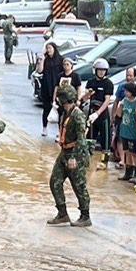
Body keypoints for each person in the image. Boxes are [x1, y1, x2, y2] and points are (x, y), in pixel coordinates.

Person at [48, 84, 92, 227]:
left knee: (79, 186)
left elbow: (81, 139)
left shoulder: (77, 115)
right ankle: (62, 213)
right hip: (64, 152)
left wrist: (74, 158)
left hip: (75, 154)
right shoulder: (66, 112)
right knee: (55, 181)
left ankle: (85, 216)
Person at [84, 59, 116, 169]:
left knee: (105, 139)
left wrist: (98, 113)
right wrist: (88, 94)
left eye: (103, 70)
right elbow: (85, 97)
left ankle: (104, 162)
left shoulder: (108, 84)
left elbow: (107, 100)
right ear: (95, 70)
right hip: (91, 112)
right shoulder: (90, 82)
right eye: (99, 70)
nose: (101, 72)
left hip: (102, 114)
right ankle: (86, 159)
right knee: (89, 138)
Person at [114, 81, 136, 189]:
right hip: (124, 129)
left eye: (127, 91)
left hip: (133, 130)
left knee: (134, 152)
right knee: (127, 152)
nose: (125, 93)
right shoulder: (124, 101)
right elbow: (119, 114)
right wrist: (120, 106)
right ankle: (128, 171)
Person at [37, 43, 63, 135]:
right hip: (46, 86)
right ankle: (44, 128)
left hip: (56, 85)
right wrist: (41, 60)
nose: (48, 50)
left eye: (50, 48)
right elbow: (40, 70)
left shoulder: (60, 59)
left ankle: (59, 131)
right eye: (47, 48)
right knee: (46, 108)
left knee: (59, 109)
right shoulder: (45, 59)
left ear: (54, 49)